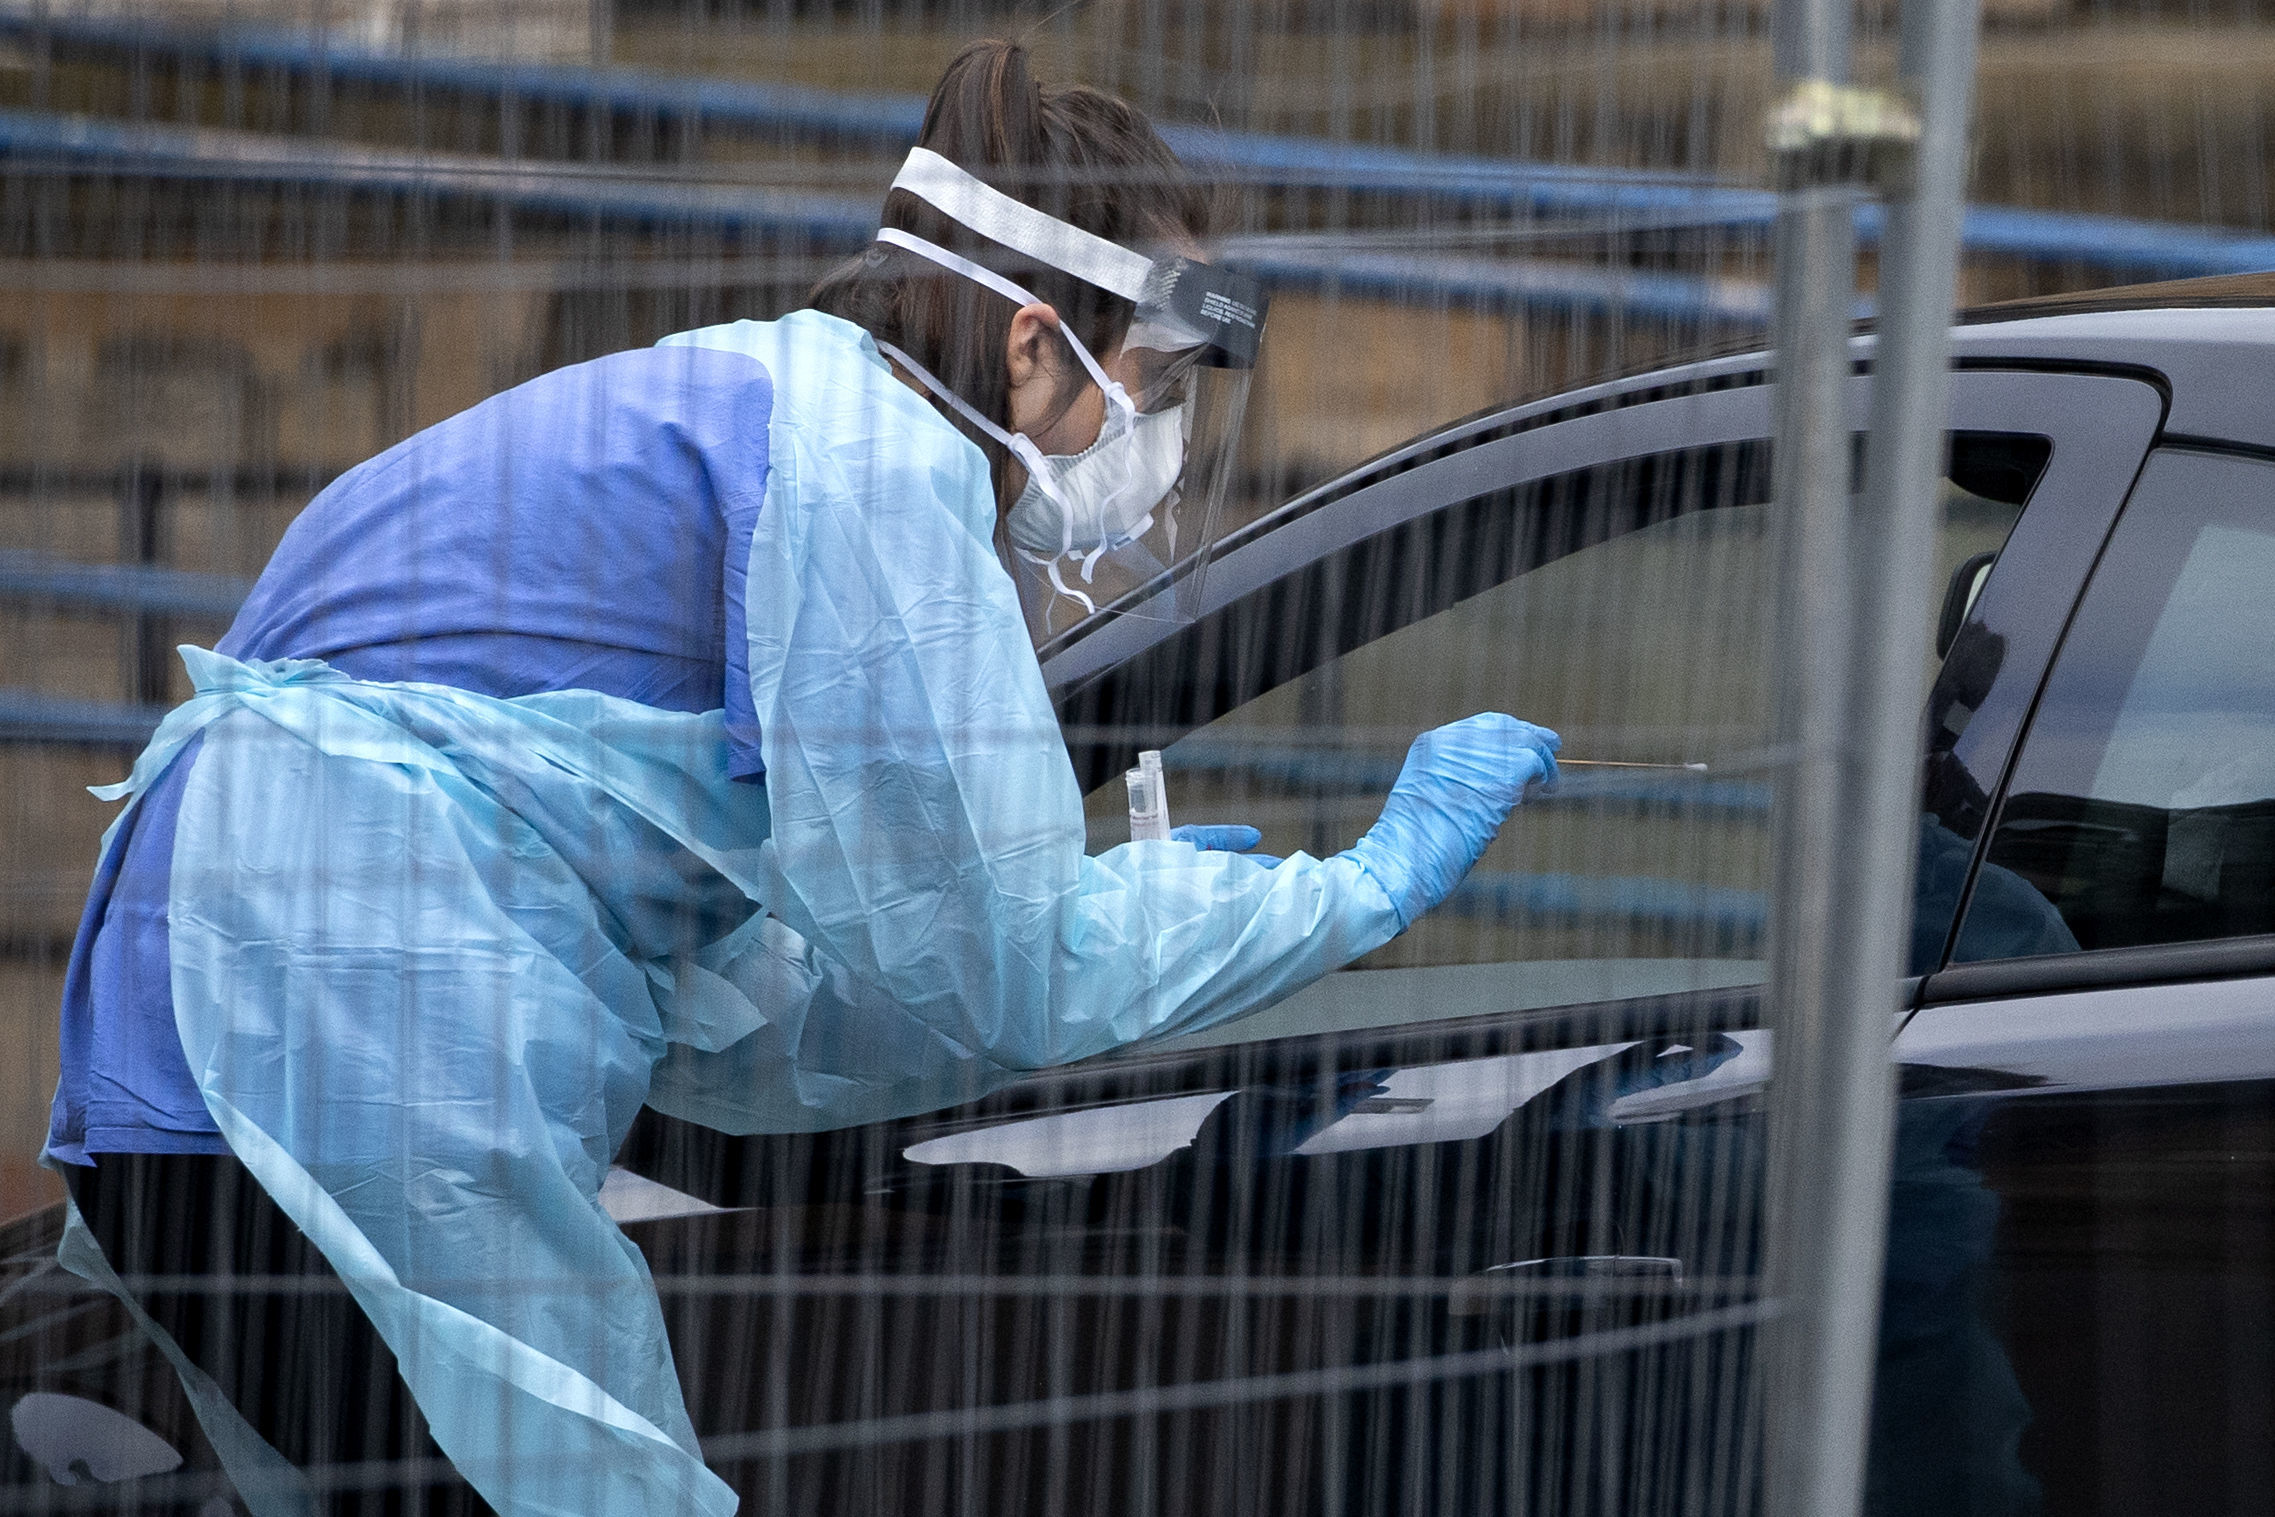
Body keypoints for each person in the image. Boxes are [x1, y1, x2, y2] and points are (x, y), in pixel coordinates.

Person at [41, 40, 1560, 1516]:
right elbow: (998, 969)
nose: (1149, 438)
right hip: (332, 1069)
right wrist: (1346, 888)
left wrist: (1122, 916)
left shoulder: (752, 400)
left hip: (204, 1079)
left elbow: (754, 993)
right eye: (1149, 385)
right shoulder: (876, 470)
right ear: (1034, 339)